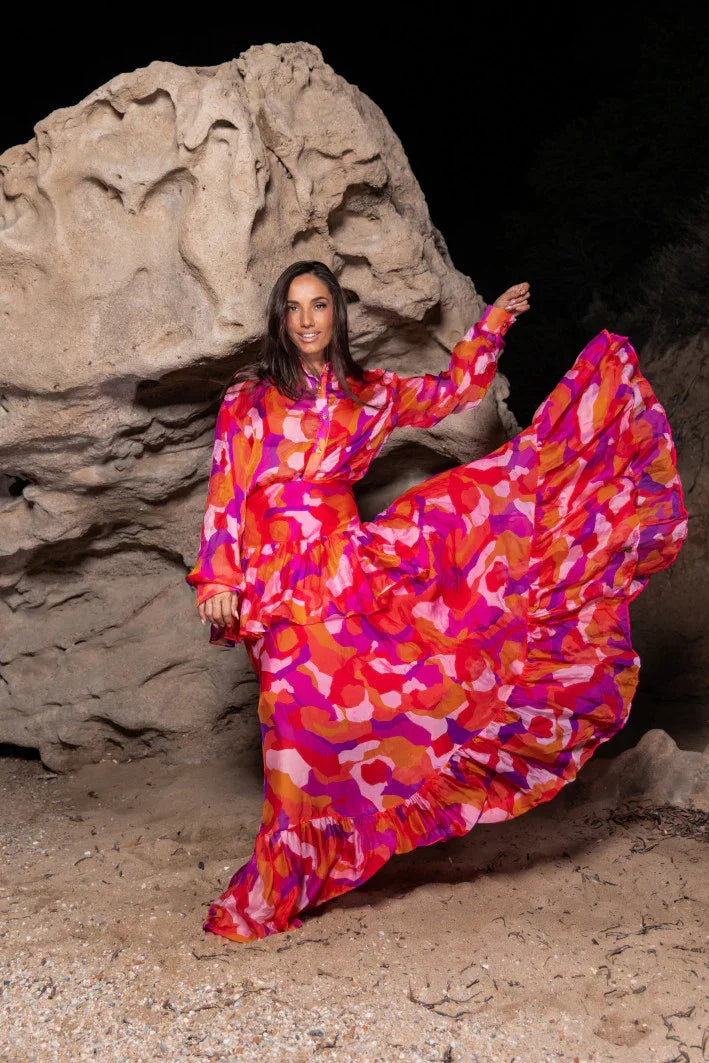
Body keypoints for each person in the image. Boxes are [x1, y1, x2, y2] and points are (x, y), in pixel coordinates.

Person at [185, 260, 688, 942]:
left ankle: (297, 872)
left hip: (345, 570)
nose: (306, 319)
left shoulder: (368, 394)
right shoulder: (248, 398)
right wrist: (218, 578)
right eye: (293, 307)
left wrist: (494, 324)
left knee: (359, 709)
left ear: (336, 315)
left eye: (319, 305)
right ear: (280, 319)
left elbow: (457, 388)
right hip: (277, 586)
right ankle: (288, 873)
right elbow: (228, 489)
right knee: (291, 722)